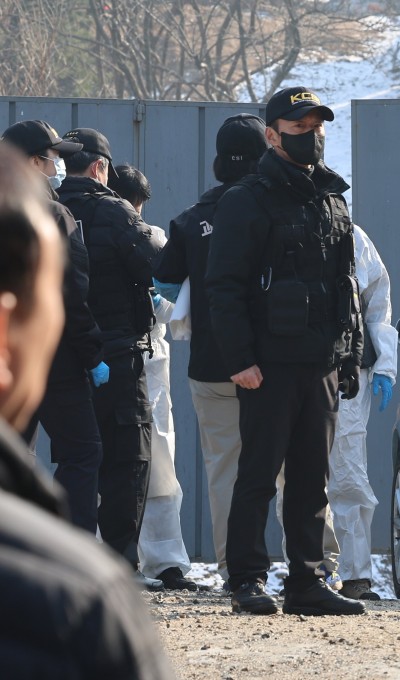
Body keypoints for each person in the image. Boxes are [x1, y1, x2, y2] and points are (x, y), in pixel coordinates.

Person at [0, 144, 176, 679]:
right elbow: (144, 272)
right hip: (95, 361)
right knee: (96, 456)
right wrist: (93, 351)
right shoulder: (74, 606)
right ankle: (105, 546)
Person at [206, 87, 365, 616]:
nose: (312, 135)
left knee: (310, 479)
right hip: (268, 364)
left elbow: (345, 283)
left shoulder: (330, 197)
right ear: (272, 135)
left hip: (319, 361)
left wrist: (349, 353)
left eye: (317, 126)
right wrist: (239, 359)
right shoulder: (246, 199)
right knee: (257, 476)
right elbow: (223, 286)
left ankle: (306, 580)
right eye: (299, 128)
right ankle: (248, 579)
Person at [152, 113, 269, 589]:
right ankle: (316, 565)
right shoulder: (274, 209)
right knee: (290, 469)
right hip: (272, 363)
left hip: (211, 364)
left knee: (226, 471)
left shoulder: (191, 218)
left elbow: (162, 280)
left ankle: (233, 569)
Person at [56, 128, 162, 583]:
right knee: (127, 459)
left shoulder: (49, 209)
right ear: (101, 168)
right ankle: (119, 565)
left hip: (59, 359)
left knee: (76, 460)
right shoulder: (116, 210)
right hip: (116, 353)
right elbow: (156, 262)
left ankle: (70, 560)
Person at [276, 224, 397, 601]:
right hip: (288, 363)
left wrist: (386, 364)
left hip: (346, 367)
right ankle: (309, 568)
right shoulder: (271, 224)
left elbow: (376, 296)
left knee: (346, 468)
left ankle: (356, 573)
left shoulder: (349, 233)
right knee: (294, 472)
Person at [1, 120, 107, 534]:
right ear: (33, 162)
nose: (59, 167)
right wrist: (92, 352)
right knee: (82, 453)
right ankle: (69, 544)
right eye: (54, 159)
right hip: (53, 358)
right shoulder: (50, 215)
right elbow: (68, 293)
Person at [109, 164, 205, 591]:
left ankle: (155, 561)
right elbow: (176, 310)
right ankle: (157, 562)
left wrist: (158, 298)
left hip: (132, 358)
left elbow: (171, 305)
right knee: (153, 457)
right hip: (141, 358)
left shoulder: (150, 241)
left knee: (136, 458)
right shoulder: (147, 239)